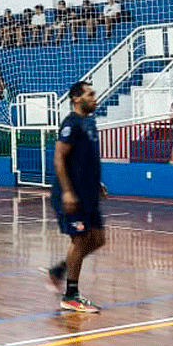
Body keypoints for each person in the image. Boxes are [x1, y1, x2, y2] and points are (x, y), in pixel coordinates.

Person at [44, 80, 108, 313]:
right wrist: (68, 192)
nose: (94, 98)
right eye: (90, 94)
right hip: (72, 196)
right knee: (79, 240)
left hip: (88, 194)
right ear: (76, 98)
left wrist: (96, 183)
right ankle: (71, 296)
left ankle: (60, 269)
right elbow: (59, 159)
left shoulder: (89, 122)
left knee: (98, 239)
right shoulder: (70, 124)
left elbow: (85, 159)